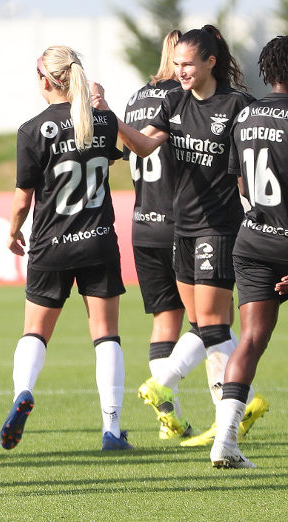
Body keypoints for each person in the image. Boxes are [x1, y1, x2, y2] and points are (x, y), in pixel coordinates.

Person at [94, 25, 268, 447]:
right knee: (206, 324)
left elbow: (254, 169)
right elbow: (143, 146)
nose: (181, 71)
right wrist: (110, 116)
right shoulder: (173, 100)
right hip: (182, 227)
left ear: (210, 62)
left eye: (188, 63)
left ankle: (163, 382)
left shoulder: (238, 105)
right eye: (177, 64)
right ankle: (230, 415)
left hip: (221, 227)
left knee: (212, 321)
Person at [3, 46, 132, 452]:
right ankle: (111, 429)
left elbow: (23, 198)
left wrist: (12, 232)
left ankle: (22, 392)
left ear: (45, 81)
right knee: (106, 335)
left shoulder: (31, 130)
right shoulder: (103, 121)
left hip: (50, 245)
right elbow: (116, 158)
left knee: (35, 333)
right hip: (98, 241)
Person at [209, 35, 288, 468]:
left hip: (254, 239)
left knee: (251, 339)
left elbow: (241, 184)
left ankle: (225, 442)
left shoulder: (246, 115)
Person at [123, 30, 200, 440]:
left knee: (164, 322)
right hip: (181, 222)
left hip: (141, 223)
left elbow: (128, 151)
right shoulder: (182, 98)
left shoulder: (136, 99)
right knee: (209, 319)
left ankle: (169, 419)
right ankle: (231, 403)